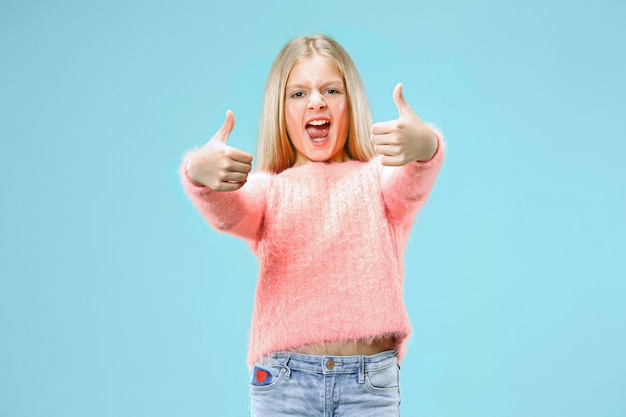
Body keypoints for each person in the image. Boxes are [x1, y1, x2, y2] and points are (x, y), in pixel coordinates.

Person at [181, 34, 445, 417]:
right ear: (281, 111)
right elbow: (230, 210)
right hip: (283, 384)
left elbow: (411, 183)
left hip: (369, 385)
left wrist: (425, 148)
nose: (316, 101)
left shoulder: (379, 180)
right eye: (298, 94)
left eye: (331, 90)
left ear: (350, 102)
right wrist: (199, 174)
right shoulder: (268, 191)